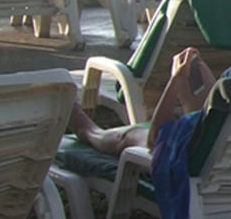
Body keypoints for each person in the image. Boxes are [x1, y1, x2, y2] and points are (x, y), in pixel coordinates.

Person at [68, 47, 216, 156]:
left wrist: (176, 80)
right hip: (221, 145)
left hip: (190, 164)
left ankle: (88, 131)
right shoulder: (228, 98)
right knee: (199, 75)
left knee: (127, 137)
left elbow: (155, 140)